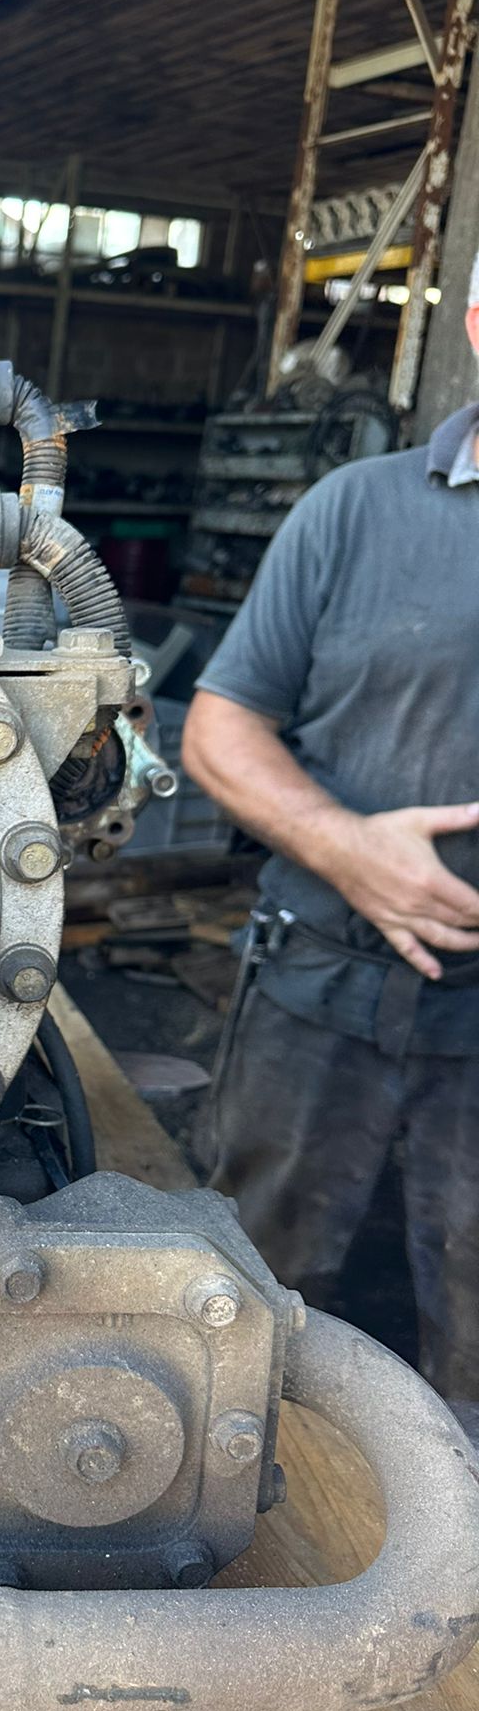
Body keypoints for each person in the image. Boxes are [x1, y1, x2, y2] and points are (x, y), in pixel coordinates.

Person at [182, 281, 479, 1402]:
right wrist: (348, 847)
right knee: (248, 1310)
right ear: (478, 324)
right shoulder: (357, 509)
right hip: (319, 991)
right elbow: (221, 728)